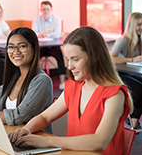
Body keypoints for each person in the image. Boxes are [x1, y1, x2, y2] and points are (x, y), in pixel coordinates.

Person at [9, 26, 133, 155]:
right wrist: (26, 129)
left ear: (95, 56)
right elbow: (45, 117)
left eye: (75, 59)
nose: (69, 66)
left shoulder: (115, 94)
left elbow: (99, 142)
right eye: (67, 59)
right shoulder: (73, 86)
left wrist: (46, 141)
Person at [110, 12, 142, 130]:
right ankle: (131, 118)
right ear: (132, 25)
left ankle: (134, 119)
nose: (141, 27)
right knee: (138, 89)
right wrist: (132, 59)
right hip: (120, 73)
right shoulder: (123, 39)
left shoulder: (139, 39)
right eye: (139, 24)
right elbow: (112, 57)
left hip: (132, 72)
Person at [32, 1, 66, 90]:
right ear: (40, 10)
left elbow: (57, 34)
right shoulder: (36, 19)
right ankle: (32, 81)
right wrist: (46, 33)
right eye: (43, 9)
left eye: (47, 9)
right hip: (41, 47)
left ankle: (62, 82)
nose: (45, 11)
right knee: (34, 58)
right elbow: (34, 33)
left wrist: (43, 34)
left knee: (60, 57)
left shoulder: (57, 19)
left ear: (51, 9)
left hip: (53, 46)